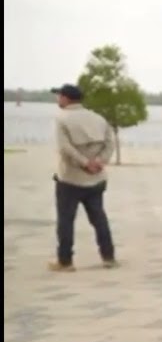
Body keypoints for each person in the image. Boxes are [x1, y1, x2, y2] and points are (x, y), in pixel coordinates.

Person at [48, 83, 118, 271]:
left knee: (65, 221)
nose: (58, 99)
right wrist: (99, 162)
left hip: (70, 179)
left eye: (59, 96)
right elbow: (110, 144)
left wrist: (85, 163)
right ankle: (108, 257)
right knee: (99, 219)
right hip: (96, 179)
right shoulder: (98, 118)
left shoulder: (62, 119)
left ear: (66, 98)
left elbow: (65, 147)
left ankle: (65, 261)